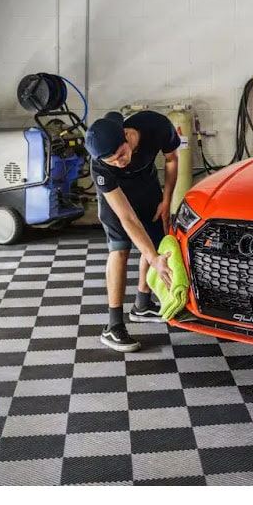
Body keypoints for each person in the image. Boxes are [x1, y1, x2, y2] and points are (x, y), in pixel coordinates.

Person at [84, 110, 179, 352]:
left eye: (120, 155)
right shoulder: (100, 167)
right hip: (117, 199)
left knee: (156, 244)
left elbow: (171, 160)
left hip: (146, 187)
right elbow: (127, 218)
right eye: (112, 161)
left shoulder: (157, 126)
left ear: (126, 136)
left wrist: (167, 201)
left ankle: (142, 305)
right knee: (121, 249)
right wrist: (152, 258)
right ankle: (113, 326)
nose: (119, 162)